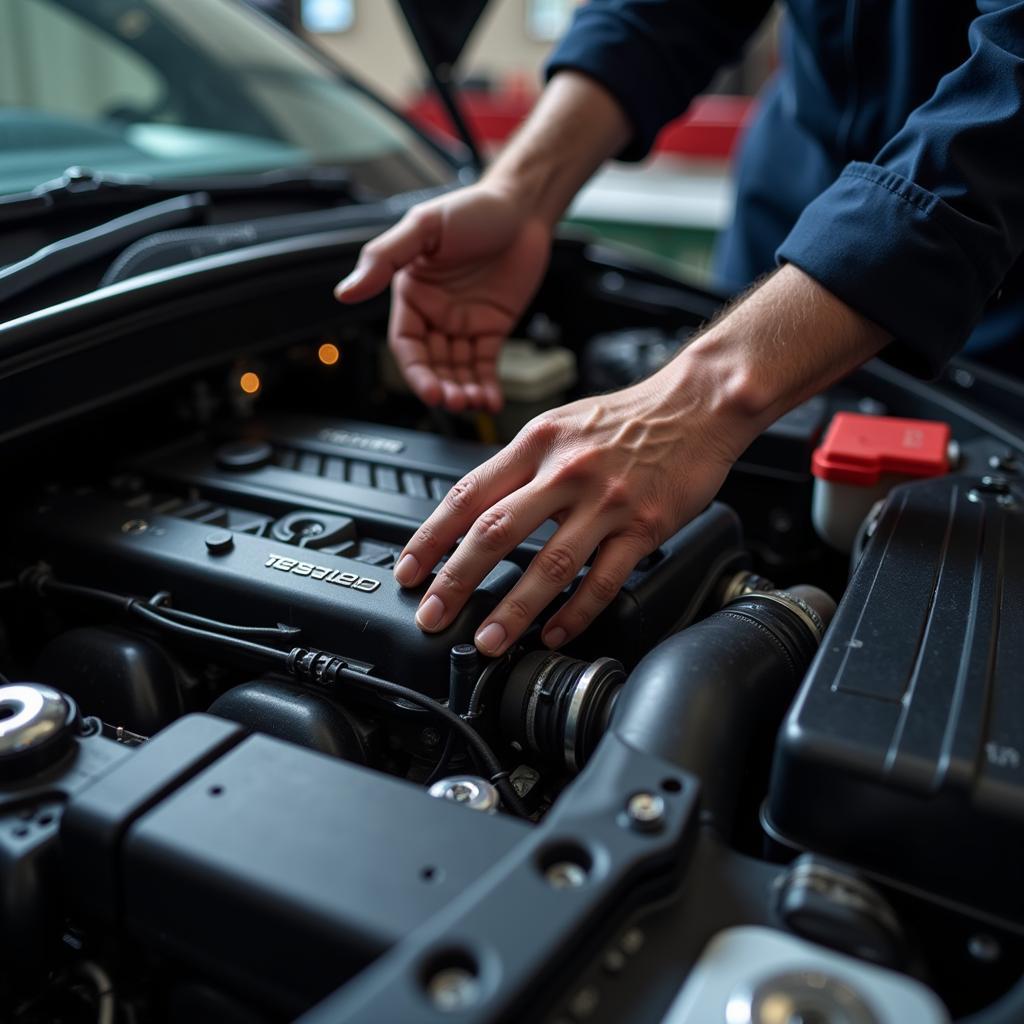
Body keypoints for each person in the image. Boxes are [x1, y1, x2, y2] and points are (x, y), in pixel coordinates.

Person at [335, 0, 1024, 659]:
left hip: (995, 306)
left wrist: (699, 396)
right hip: (789, 228)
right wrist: (522, 192)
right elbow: (665, 7)